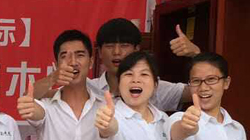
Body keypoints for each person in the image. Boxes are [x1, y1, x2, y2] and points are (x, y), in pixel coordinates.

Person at [33, 18, 196, 112]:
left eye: (124, 45)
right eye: (110, 46)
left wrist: (196, 54)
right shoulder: (86, 88)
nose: (117, 52)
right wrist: (53, 78)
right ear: (99, 53)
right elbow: (32, 96)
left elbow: (202, 90)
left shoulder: (154, 88)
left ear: (137, 50)